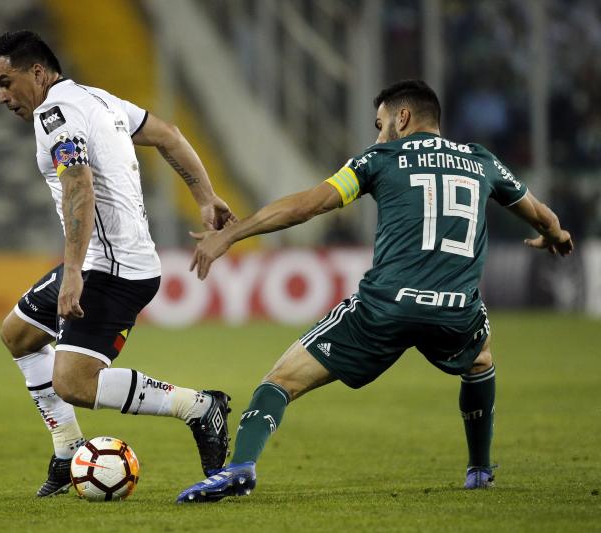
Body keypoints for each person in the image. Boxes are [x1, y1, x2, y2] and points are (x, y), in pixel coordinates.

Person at [176, 79, 574, 503]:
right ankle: (479, 470)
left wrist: (234, 234)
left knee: (279, 381)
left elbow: (309, 205)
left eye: (380, 123)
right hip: (456, 310)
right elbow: (542, 214)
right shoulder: (482, 161)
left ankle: (239, 468)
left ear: (402, 118)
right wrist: (555, 234)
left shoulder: (381, 158)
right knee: (479, 358)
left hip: (385, 308)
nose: (378, 134)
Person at [0, 30, 236, 497]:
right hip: (107, 258)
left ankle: (199, 407)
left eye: (6, 81)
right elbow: (170, 136)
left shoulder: (54, 113)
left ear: (37, 73)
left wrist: (73, 272)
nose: (2, 96)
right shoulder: (98, 99)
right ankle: (67, 450)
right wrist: (205, 197)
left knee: (75, 382)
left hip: (113, 269)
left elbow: (79, 185)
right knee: (18, 335)